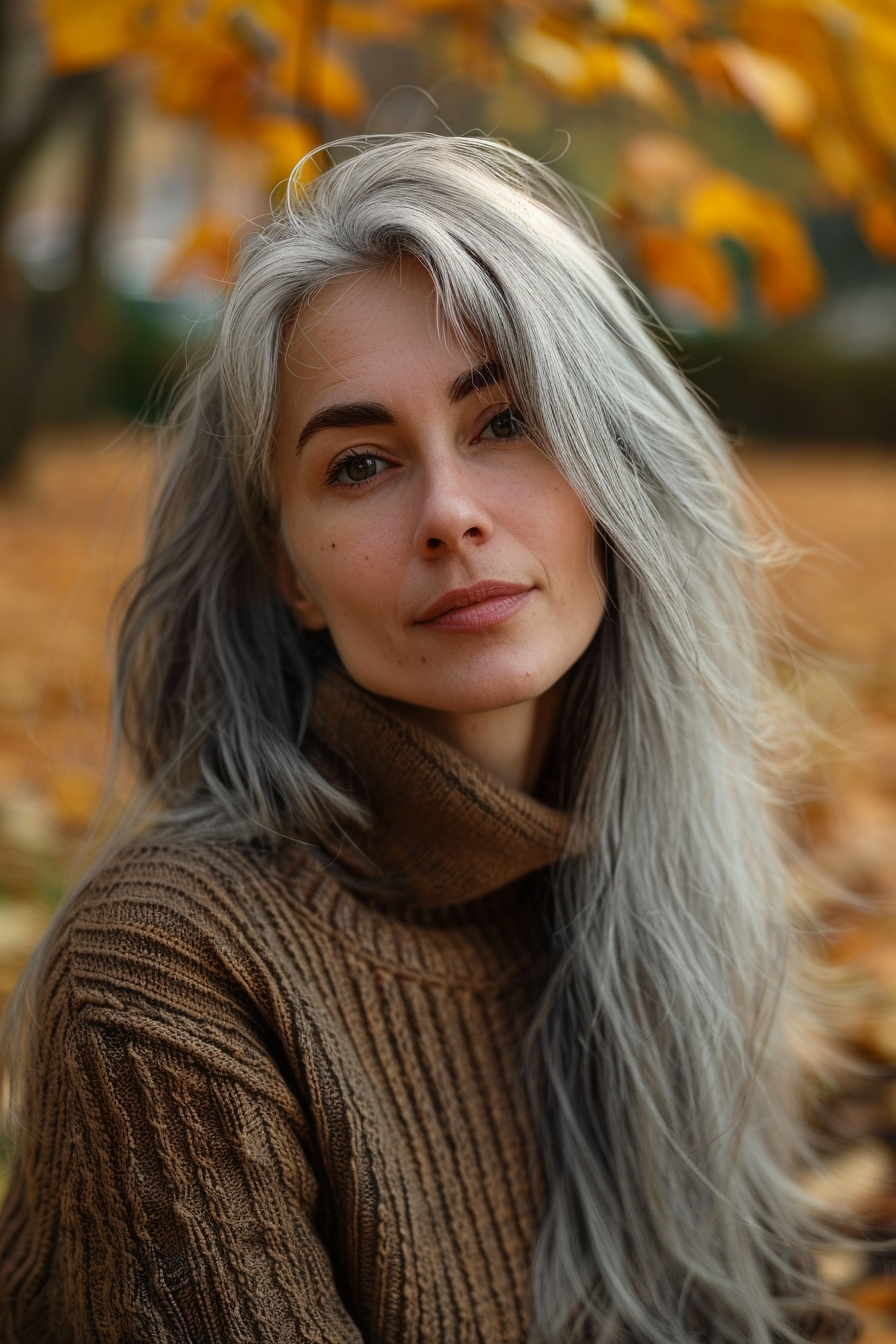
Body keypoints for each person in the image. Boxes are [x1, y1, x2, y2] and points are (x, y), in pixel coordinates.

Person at [0, 134, 854, 1344]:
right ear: (288, 572)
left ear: (607, 469)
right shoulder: (165, 978)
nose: (450, 515)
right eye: (359, 464)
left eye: (503, 422)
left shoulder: (671, 885)